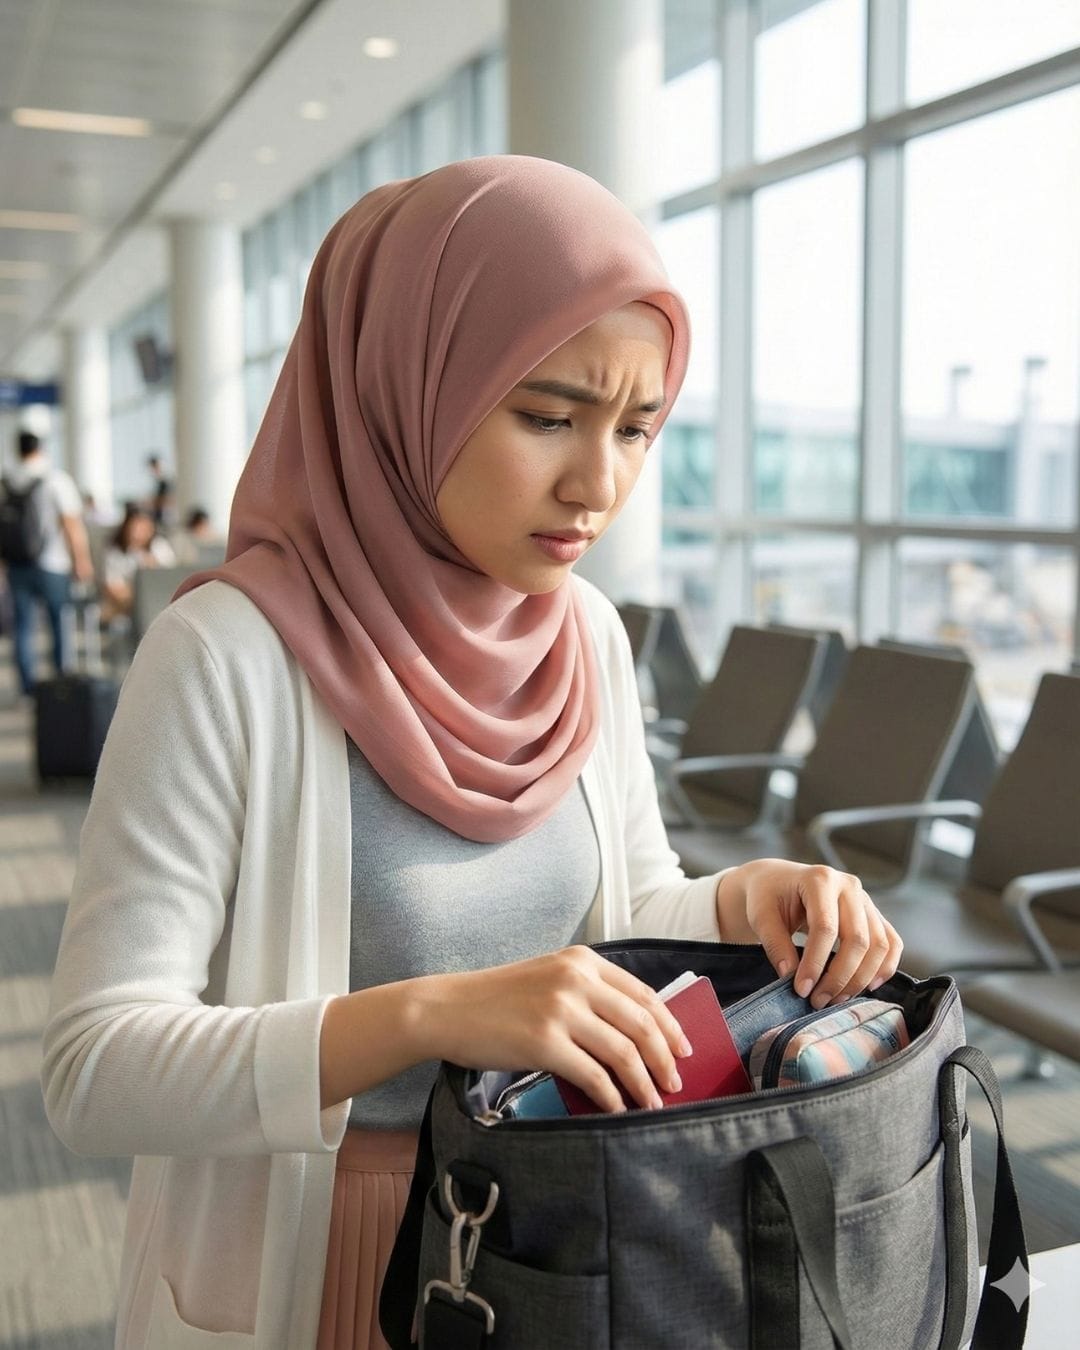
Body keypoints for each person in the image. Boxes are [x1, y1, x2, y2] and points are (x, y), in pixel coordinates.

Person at [41, 158, 903, 1350]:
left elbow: (620, 905)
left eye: (637, 428)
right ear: (407, 385)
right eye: (547, 416)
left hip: (568, 1238)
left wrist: (741, 900)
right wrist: (433, 1015)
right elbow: (95, 1067)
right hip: (335, 1261)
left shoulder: (583, 634)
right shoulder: (227, 658)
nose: (598, 483)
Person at [0, 429, 94, 695]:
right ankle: (59, 683)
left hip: (18, 564)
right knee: (58, 622)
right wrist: (82, 561)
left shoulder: (6, 482)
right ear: (40, 449)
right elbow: (71, 524)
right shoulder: (55, 479)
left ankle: (27, 688)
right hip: (53, 563)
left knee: (22, 626)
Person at [99, 505, 177, 625]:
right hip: (128, 605)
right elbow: (113, 587)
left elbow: (169, 579)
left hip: (157, 601)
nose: (138, 532)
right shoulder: (115, 551)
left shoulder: (160, 547)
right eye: (134, 526)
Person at [145, 453, 174, 528]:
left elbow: (167, 500)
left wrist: (151, 502)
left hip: (164, 518)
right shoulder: (157, 482)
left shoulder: (165, 482)